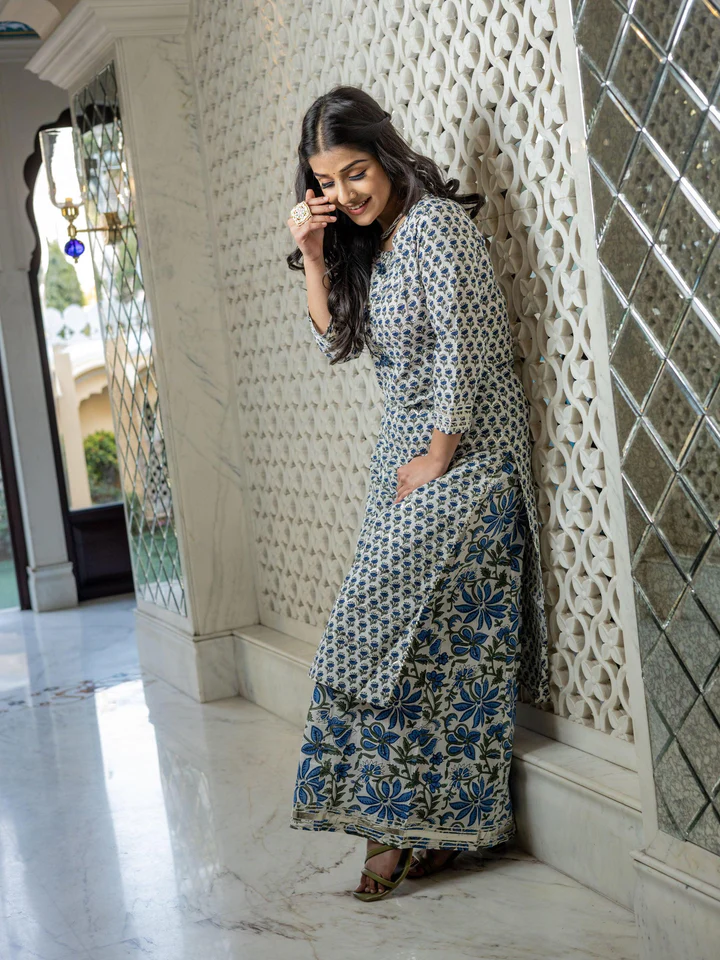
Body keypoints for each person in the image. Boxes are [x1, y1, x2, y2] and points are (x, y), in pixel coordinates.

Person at [285, 85, 550, 902]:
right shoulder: (378, 243)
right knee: (412, 656)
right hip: (401, 469)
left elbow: (469, 348)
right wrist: (316, 255)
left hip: (468, 461)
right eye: (327, 183)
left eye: (355, 172)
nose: (345, 193)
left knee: (380, 631)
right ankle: (417, 833)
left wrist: (439, 456)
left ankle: (398, 832)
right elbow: (336, 341)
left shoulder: (435, 227)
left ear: (385, 152)